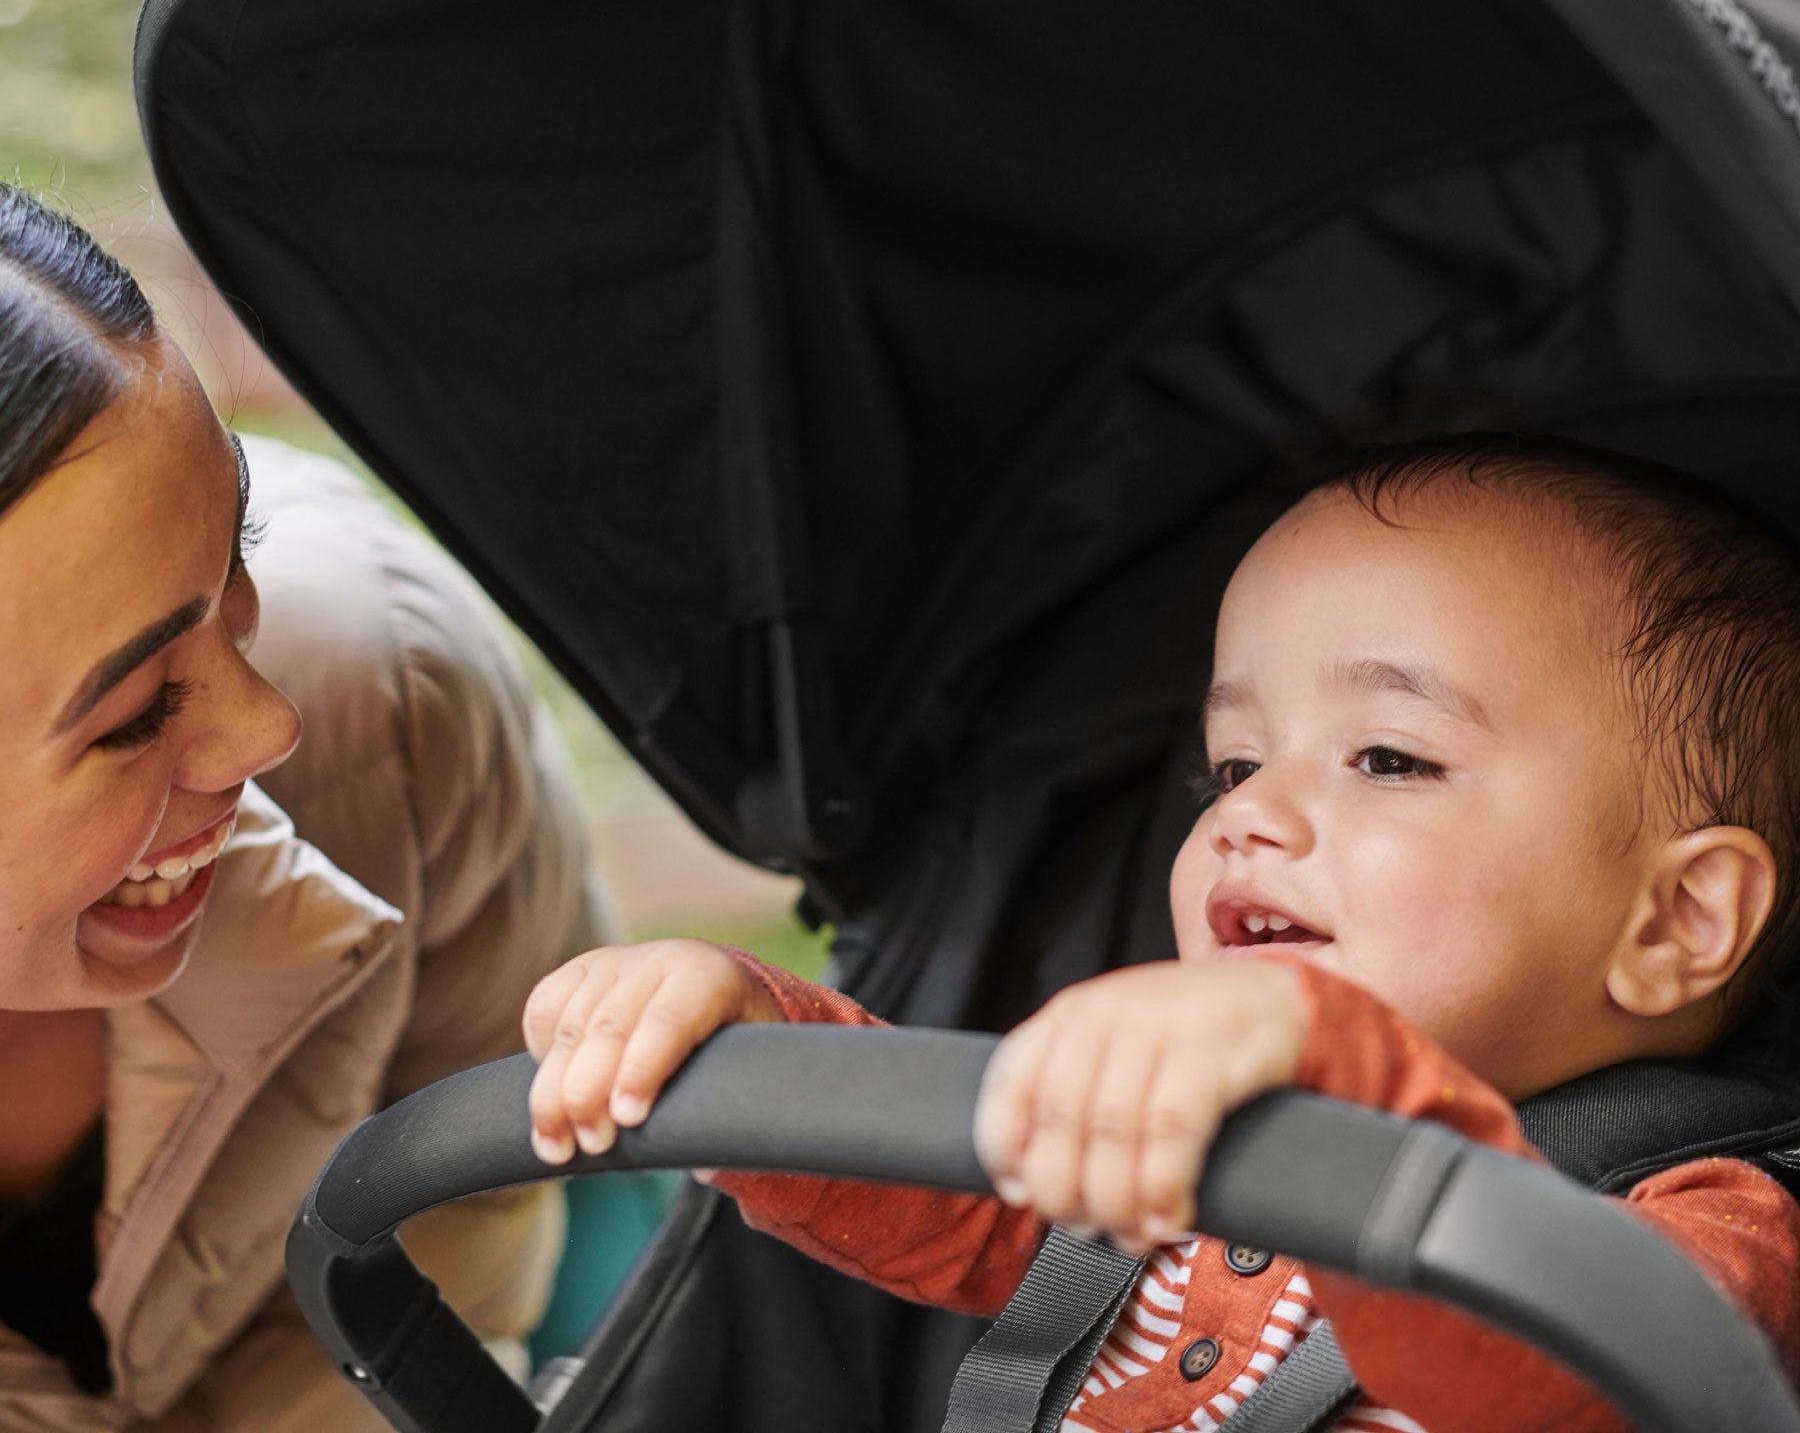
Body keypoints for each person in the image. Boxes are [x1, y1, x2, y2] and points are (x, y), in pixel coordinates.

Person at [524, 432, 1800, 1433]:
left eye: (1390, 757)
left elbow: (1568, 1377)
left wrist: (1357, 1087)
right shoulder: (1191, 1151)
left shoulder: (1720, 1225)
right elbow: (953, 1193)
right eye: (1231, 764)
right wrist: (758, 1043)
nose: (1250, 814)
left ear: (1678, 918)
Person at [0, 181, 605, 1429]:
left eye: (237, 567)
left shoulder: (386, 693)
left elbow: (469, 1243)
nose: (268, 726)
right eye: (130, 716)